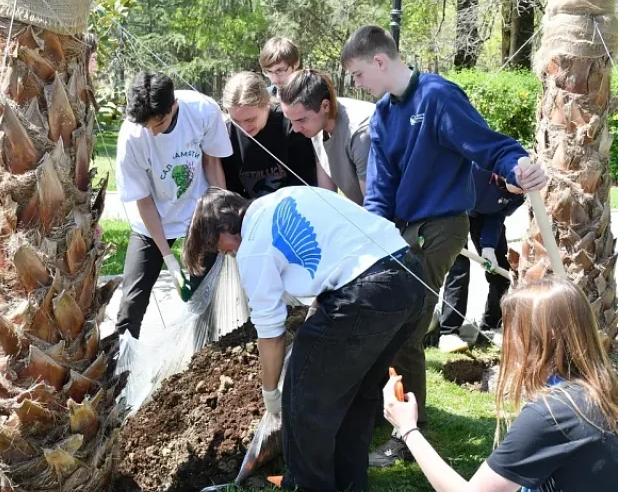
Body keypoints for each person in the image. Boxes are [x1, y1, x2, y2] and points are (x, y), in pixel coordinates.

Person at [339, 25, 548, 466]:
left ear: (380, 61)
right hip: (401, 230)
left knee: (407, 326)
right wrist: (370, 242)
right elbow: (379, 189)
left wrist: (519, 164)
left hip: (441, 227)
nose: (355, 85)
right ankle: (391, 413)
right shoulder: (381, 115)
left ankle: (409, 433)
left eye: (358, 74)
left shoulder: (437, 95)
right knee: (387, 320)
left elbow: (487, 144)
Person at [184, 186, 426, 492]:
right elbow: (335, 255)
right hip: (409, 277)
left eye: (219, 247)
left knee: (302, 386)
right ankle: (349, 482)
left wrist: (271, 393)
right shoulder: (285, 197)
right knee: (359, 389)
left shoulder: (253, 245)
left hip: (369, 290)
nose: (224, 254)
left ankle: (306, 485)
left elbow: (271, 333)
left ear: (224, 226)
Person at [384, 278, 618, 492]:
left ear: (548, 336)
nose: (505, 342)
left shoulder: (552, 413)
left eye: (513, 330)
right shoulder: (603, 391)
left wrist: (408, 429)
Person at [115, 71, 232, 339]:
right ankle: (119, 369)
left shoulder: (202, 110)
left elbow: (212, 163)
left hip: (198, 214)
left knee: (202, 299)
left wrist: (219, 217)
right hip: (151, 220)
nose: (153, 132)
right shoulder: (132, 137)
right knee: (131, 305)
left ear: (174, 105)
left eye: (160, 123)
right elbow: (143, 200)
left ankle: (200, 358)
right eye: (147, 127)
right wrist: (169, 258)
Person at [438, 165, 524, 353]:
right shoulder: (477, 169)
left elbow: (497, 216)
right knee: (459, 269)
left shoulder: (519, 195)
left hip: (485, 218)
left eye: (522, 190)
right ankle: (449, 331)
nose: (520, 192)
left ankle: (490, 326)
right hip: (454, 211)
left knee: (500, 270)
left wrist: (488, 247)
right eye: (518, 187)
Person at [280, 69, 376, 205]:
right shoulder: (316, 125)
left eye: (301, 120)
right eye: (290, 120)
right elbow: (328, 198)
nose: (295, 129)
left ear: (325, 106)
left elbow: (374, 207)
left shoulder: (361, 132)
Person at [220, 71, 317, 198]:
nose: (243, 128)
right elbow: (232, 188)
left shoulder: (292, 125)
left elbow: (304, 180)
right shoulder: (227, 134)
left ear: (266, 104)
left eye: (250, 119)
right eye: (236, 121)